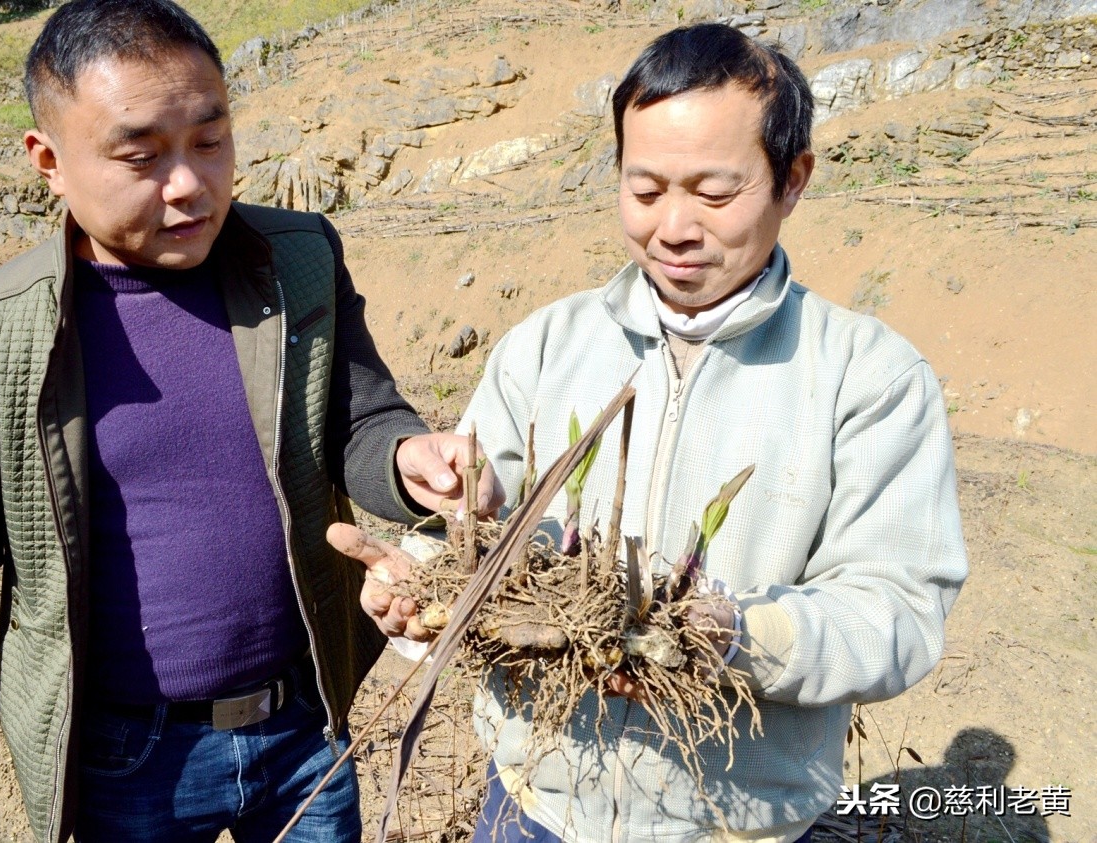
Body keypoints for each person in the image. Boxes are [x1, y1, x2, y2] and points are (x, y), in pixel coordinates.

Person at [0, 2, 501, 842]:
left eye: (210, 141)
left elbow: (359, 414)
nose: (189, 183)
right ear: (49, 161)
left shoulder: (297, 262)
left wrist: (406, 456)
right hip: (124, 762)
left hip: (302, 728)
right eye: (141, 155)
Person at [336, 23, 967, 842]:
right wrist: (426, 577)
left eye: (714, 193)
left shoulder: (868, 376)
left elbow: (898, 615)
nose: (673, 226)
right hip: (535, 801)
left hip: (741, 822)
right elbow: (490, 541)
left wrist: (738, 635)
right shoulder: (548, 344)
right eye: (645, 190)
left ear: (793, 179)